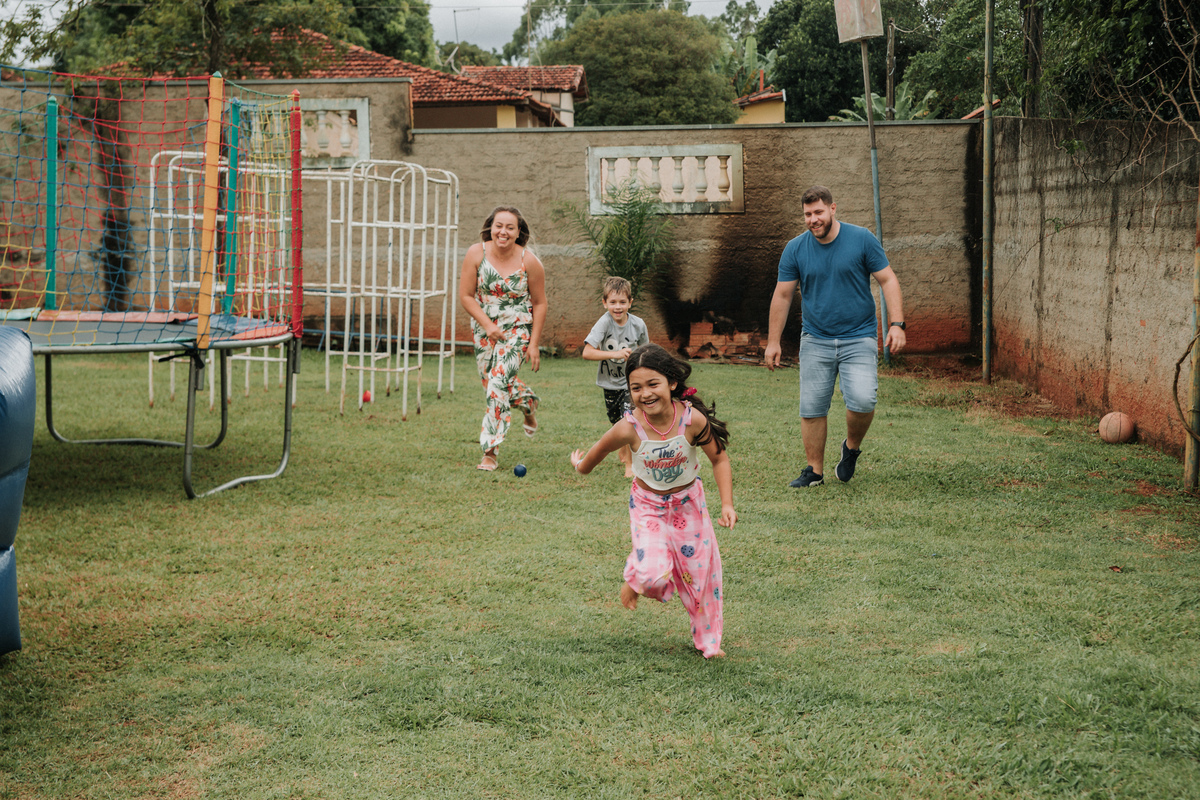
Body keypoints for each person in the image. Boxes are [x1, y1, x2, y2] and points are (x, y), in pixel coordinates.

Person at [570, 344, 736, 659]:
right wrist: (581, 466)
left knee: (702, 577)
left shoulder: (691, 420)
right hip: (649, 507)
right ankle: (635, 580)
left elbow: (719, 459)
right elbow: (600, 450)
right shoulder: (628, 427)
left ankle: (710, 643)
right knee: (652, 571)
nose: (644, 393)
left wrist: (726, 504)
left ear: (672, 383)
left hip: (690, 506)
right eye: (636, 387)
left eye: (652, 384)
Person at [764, 185, 906, 488]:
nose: (813, 219)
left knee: (863, 400)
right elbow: (783, 295)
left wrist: (897, 324)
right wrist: (773, 341)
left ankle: (851, 447)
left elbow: (888, 279)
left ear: (833, 209)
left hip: (859, 336)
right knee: (813, 407)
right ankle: (814, 471)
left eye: (818, 212)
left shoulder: (862, 239)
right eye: (807, 214)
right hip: (816, 338)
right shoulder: (795, 248)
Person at [459, 206, 547, 471]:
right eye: (499, 225)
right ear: (491, 227)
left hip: (518, 330)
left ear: (518, 232)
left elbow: (540, 303)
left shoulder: (529, 261)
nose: (503, 232)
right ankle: (528, 401)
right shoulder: (476, 253)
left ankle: (490, 451)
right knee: (492, 385)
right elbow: (465, 296)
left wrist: (533, 345)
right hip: (485, 330)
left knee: (498, 383)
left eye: (510, 227)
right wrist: (487, 325)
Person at [582, 276, 649, 477]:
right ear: (605, 303)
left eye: (622, 302)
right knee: (616, 422)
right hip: (609, 383)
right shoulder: (604, 324)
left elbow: (647, 351)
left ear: (630, 302)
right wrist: (615, 354)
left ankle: (630, 465)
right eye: (612, 302)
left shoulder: (638, 325)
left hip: (631, 383)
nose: (617, 307)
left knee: (628, 421)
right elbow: (587, 352)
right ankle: (623, 448)